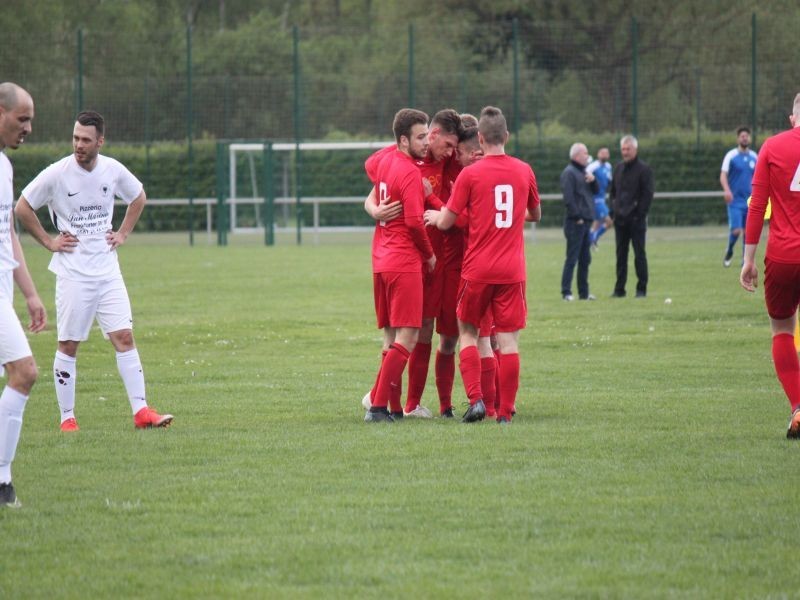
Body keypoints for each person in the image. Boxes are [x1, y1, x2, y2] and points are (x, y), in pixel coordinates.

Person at [15, 110, 173, 431]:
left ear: (100, 141)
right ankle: (67, 418)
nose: (79, 145)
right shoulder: (57, 174)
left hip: (108, 271)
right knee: (69, 344)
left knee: (124, 337)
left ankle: (141, 412)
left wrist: (123, 233)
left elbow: (138, 197)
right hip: (73, 273)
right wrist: (49, 241)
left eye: (86, 140)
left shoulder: (112, 170)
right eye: (75, 138)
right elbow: (23, 207)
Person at [425, 106, 541, 424]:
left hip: (476, 269)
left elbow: (448, 220)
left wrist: (436, 212)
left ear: (479, 138)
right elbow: (535, 215)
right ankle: (503, 413)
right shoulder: (523, 170)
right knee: (506, 341)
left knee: (468, 333)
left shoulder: (470, 175)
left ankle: (476, 399)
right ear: (506, 136)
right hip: (512, 270)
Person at [363, 109, 462, 418]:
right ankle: (380, 403)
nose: (450, 152)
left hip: (389, 258)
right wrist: (373, 209)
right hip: (410, 259)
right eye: (445, 144)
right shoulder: (401, 164)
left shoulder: (439, 161)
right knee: (411, 333)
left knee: (400, 334)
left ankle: (396, 407)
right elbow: (411, 219)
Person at [740, 93, 800, 438]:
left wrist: (748, 259)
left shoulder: (773, 147)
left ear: (792, 118)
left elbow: (757, 204)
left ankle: (797, 406)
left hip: (783, 255)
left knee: (782, 330)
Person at [0, 82, 46, 508]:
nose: (29, 127)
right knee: (25, 372)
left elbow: (7, 233)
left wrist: (30, 294)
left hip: (4, 296)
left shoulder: (4, 166)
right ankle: (2, 482)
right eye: (23, 118)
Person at [609, 135, 654, 298]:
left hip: (636, 221)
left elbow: (647, 195)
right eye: (623, 149)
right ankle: (619, 289)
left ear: (635, 149)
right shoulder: (618, 168)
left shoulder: (644, 170)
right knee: (620, 256)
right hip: (620, 221)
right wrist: (612, 211)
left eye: (628, 149)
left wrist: (638, 215)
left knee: (639, 254)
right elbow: (613, 192)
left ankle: (641, 289)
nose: (625, 152)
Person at [560, 142, 598, 301]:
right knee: (572, 257)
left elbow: (595, 192)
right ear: (576, 155)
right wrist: (578, 218)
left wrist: (593, 180)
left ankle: (584, 293)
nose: (587, 156)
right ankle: (566, 292)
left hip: (586, 222)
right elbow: (569, 198)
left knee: (585, 258)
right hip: (576, 223)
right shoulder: (569, 173)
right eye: (585, 153)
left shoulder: (585, 172)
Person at [721, 126, 758, 267]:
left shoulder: (755, 157)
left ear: (749, 138)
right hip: (735, 201)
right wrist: (727, 190)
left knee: (748, 232)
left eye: (746, 136)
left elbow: (759, 177)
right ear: (738, 139)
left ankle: (745, 261)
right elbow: (723, 175)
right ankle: (730, 249)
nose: (744, 138)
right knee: (736, 230)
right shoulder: (731, 156)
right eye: (742, 136)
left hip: (750, 201)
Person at [586, 147, 613, 249]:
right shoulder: (593, 166)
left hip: (602, 198)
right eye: (602, 152)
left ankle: (589, 241)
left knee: (597, 223)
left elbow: (609, 181)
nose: (604, 154)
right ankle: (593, 238)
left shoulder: (608, 167)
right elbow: (585, 176)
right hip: (595, 199)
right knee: (609, 221)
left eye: (606, 153)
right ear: (598, 154)